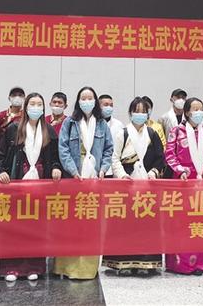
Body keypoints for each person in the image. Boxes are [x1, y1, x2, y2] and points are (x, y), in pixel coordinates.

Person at [0, 93, 62, 281]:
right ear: (26, 107)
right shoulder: (14, 128)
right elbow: (1, 155)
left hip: (40, 182)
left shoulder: (49, 130)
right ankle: (11, 267)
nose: (36, 107)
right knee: (13, 226)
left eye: (39, 104)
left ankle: (34, 267)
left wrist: (56, 168)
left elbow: (55, 158)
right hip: (16, 181)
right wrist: (0, 171)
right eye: (32, 103)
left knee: (36, 226)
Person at [54, 86, 114, 279]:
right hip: (73, 179)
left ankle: (87, 269)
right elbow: (63, 148)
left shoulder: (102, 124)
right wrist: (73, 171)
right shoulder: (70, 123)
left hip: (94, 179)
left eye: (90, 98)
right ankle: (66, 268)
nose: (86, 101)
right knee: (70, 224)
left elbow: (108, 149)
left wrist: (103, 168)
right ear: (78, 101)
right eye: (83, 98)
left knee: (91, 223)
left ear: (95, 101)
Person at [104, 97, 165, 275]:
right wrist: (122, 175)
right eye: (136, 111)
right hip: (126, 186)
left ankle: (147, 263)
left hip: (147, 186)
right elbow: (114, 158)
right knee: (125, 225)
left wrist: (153, 172)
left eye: (143, 111)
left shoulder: (152, 134)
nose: (140, 114)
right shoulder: (122, 134)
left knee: (146, 224)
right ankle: (123, 263)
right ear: (130, 113)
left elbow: (160, 158)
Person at [164, 97, 203, 275]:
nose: (198, 112)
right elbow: (170, 154)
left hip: (201, 184)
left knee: (200, 222)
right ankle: (180, 264)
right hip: (182, 182)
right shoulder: (176, 131)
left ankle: (200, 264)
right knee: (181, 223)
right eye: (194, 109)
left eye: (200, 109)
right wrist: (180, 170)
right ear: (187, 112)